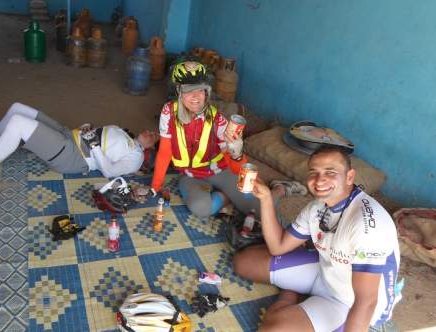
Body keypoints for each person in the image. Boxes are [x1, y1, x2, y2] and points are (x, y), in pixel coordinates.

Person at [233, 146, 402, 332]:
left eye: (330, 172)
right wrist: (265, 198)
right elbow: (278, 247)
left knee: (273, 329)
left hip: (348, 302)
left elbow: (366, 302)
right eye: (314, 172)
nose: (320, 180)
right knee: (244, 263)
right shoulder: (317, 207)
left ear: (349, 177)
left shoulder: (368, 226)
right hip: (324, 271)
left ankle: (289, 300)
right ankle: (291, 294)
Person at [150, 60, 307, 218]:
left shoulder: (219, 122)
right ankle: (227, 198)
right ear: (178, 91)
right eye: (189, 90)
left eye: (201, 90)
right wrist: (155, 186)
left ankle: (280, 188)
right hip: (190, 175)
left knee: (259, 211)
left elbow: (236, 167)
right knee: (200, 208)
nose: (196, 96)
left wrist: (237, 153)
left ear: (207, 92)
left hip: (221, 171)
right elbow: (165, 152)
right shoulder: (168, 112)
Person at [0, 102, 159, 186]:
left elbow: (109, 171)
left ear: (150, 149)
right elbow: (102, 138)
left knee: (18, 124)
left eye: (153, 136)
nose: (149, 132)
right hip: (69, 134)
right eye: (151, 130)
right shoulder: (125, 135)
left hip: (73, 156)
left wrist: (93, 144)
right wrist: (89, 129)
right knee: (17, 108)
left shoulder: (136, 158)